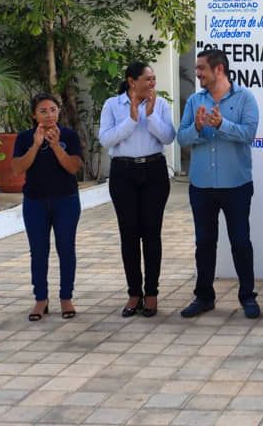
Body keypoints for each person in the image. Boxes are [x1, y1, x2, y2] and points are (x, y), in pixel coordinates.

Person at [177, 49, 260, 319]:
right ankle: (204, 297)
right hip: (201, 185)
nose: (197, 73)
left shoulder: (245, 98)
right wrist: (199, 128)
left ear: (219, 70)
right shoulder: (194, 101)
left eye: (201, 68)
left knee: (240, 242)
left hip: (236, 184)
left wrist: (222, 123)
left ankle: (248, 297)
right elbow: (182, 138)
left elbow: (248, 134)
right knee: (204, 243)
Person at [100, 62, 176, 318]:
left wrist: (151, 115)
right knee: (129, 233)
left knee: (152, 233)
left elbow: (168, 137)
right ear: (132, 81)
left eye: (154, 78)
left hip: (154, 171)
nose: (153, 83)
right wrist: (132, 120)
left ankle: (151, 293)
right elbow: (106, 139)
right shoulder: (112, 105)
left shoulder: (161, 104)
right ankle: (134, 293)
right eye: (148, 79)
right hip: (123, 173)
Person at [12, 93, 83, 321]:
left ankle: (66, 298)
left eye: (53, 109)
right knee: (39, 251)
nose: (49, 115)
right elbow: (17, 168)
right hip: (35, 202)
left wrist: (55, 146)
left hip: (66, 200)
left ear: (58, 112)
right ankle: (40, 299)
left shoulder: (69, 136)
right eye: (43, 111)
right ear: (34, 115)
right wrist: (36, 145)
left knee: (66, 249)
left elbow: (73, 167)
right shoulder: (24, 138)